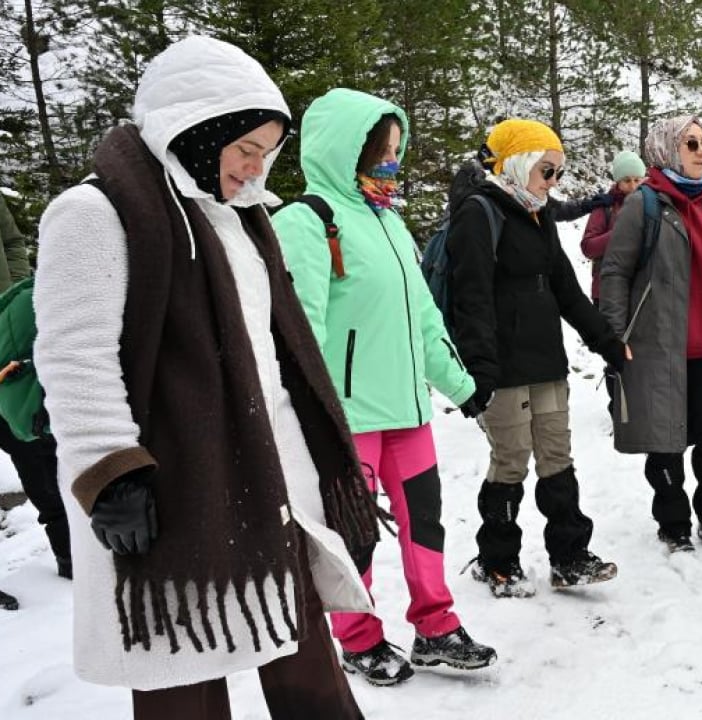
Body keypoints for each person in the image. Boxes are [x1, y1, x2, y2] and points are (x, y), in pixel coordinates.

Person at [33, 36, 378, 719]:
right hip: (169, 490)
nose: (256, 169)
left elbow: (273, 351)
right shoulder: (94, 213)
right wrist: (111, 472)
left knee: (304, 646)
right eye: (244, 149)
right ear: (193, 129)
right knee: (182, 665)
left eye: (266, 152)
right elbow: (75, 354)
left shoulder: (239, 219)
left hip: (268, 474)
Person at [273, 88, 496, 686]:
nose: (391, 163)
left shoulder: (390, 222)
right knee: (356, 535)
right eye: (381, 152)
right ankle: (358, 636)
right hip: (349, 419)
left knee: (425, 522)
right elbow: (301, 333)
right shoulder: (307, 222)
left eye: (397, 151)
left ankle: (436, 627)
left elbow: (424, 320)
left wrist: (462, 386)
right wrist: (317, 415)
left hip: (408, 410)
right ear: (347, 151)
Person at [446, 118, 624, 597]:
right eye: (547, 171)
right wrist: (479, 371)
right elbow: (472, 299)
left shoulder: (537, 213)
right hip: (501, 367)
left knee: (556, 458)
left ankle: (569, 556)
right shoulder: (479, 213)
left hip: (545, 361)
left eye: (558, 173)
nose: (554, 183)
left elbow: (566, 289)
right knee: (510, 461)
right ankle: (497, 559)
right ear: (518, 164)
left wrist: (607, 342)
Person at [599, 116, 702, 555]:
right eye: (691, 143)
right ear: (667, 148)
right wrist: (614, 336)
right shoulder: (644, 204)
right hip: (660, 349)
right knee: (666, 444)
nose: (701, 151)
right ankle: (673, 524)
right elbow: (615, 271)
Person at [0, 194, 70, 579]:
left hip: (4, 339)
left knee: (36, 446)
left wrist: (8, 292)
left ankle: (70, 556)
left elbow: (11, 240)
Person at [581, 150, 647, 302]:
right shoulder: (606, 205)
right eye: (627, 180)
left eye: (637, 180)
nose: (633, 186)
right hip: (606, 292)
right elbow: (588, 247)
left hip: (639, 291)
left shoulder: (650, 204)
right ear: (618, 181)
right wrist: (620, 233)